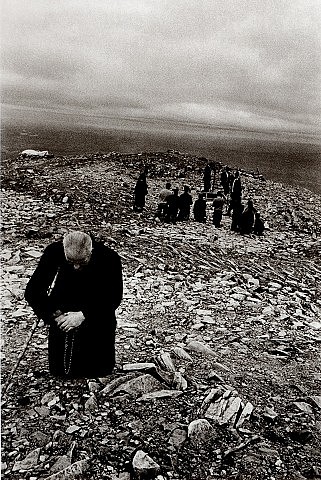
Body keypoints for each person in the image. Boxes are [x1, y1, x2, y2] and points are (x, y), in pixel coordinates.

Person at [25, 231, 123, 378]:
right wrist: (53, 314)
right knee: (62, 372)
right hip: (63, 312)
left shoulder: (109, 258)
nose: (76, 267)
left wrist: (84, 315)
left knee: (98, 370)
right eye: (71, 262)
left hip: (97, 310)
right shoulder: (54, 252)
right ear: (64, 250)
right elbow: (33, 291)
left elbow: (114, 296)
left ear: (91, 251)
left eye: (82, 262)